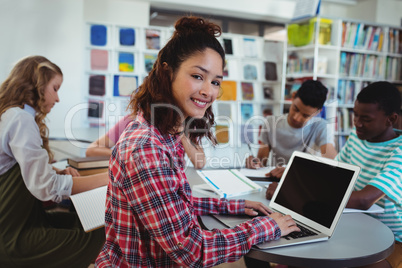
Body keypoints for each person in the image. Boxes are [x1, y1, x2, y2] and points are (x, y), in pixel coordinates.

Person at [95, 16, 300, 268]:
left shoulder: (164, 133)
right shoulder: (146, 147)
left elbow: (173, 200)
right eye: (197, 76)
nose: (208, 91)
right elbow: (192, 251)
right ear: (166, 73)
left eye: (215, 81)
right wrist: (266, 227)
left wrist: (233, 206)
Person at [0, 55, 108, 267]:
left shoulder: (11, 115)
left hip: (22, 223)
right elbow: (46, 188)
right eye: (55, 88)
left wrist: (55, 173)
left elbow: (28, 173)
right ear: (38, 85)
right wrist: (111, 177)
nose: (57, 99)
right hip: (11, 235)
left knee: (88, 225)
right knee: (98, 238)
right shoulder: (21, 119)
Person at [335, 81, 402, 268]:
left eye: (366, 118)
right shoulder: (357, 137)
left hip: (392, 240)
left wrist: (310, 196)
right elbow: (334, 174)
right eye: (355, 115)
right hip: (357, 228)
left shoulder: (399, 150)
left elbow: (365, 200)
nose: (357, 123)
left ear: (391, 119)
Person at [246, 80, 337, 178]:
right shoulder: (270, 123)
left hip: (303, 182)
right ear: (293, 97)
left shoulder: (322, 127)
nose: (297, 118)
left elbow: (333, 165)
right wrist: (254, 162)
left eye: (305, 115)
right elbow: (261, 162)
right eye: (296, 109)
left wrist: (291, 172)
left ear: (318, 112)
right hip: (275, 181)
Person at [85, 114, 207, 169]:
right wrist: (129, 156)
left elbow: (200, 162)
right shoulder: (131, 121)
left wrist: (181, 132)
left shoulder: (183, 124)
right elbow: (92, 150)